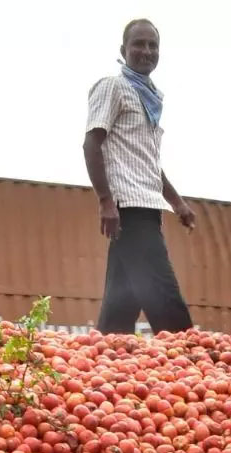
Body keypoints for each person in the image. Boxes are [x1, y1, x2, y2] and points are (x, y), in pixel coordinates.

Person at [83, 18, 196, 335]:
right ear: (124, 49)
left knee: (119, 311)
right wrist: (105, 201)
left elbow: (148, 164)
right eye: (139, 44)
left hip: (147, 208)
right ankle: (195, 365)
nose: (146, 51)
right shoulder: (113, 87)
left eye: (152, 45)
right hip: (128, 209)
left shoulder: (149, 98)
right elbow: (92, 142)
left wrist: (178, 204)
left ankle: (107, 362)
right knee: (167, 303)